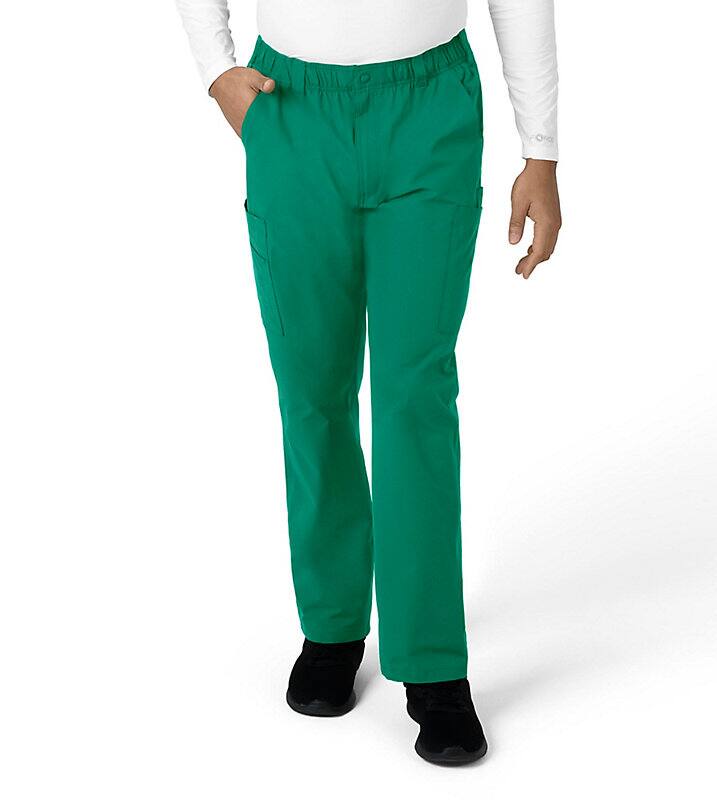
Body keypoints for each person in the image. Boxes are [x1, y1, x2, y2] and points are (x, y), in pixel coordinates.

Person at [175, 0, 561, 766]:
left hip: (428, 111)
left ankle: (432, 662)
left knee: (414, 394)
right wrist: (216, 66)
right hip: (291, 108)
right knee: (311, 386)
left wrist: (540, 149)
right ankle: (332, 625)